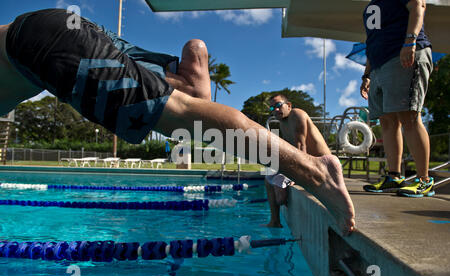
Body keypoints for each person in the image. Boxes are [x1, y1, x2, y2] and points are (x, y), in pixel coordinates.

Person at [0, 9, 355, 235]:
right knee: (187, 95)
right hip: (57, 29)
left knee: (183, 114)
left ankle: (314, 170)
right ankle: (188, 74)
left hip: (39, 46)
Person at [360, 0, 435, 197]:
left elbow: (419, 5)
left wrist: (410, 41)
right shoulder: (370, 8)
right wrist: (367, 74)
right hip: (379, 65)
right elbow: (372, 40)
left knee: (409, 116)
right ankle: (393, 177)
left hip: (404, 53)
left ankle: (424, 180)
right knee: (387, 122)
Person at [264, 94, 331, 228]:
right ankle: (275, 221)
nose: (275, 110)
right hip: (308, 162)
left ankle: (276, 220)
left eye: (278, 105)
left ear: (288, 105)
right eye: (272, 108)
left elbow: (301, 146)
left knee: (281, 198)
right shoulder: (283, 123)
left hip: (322, 164)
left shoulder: (296, 114)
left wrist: (297, 175)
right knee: (268, 178)